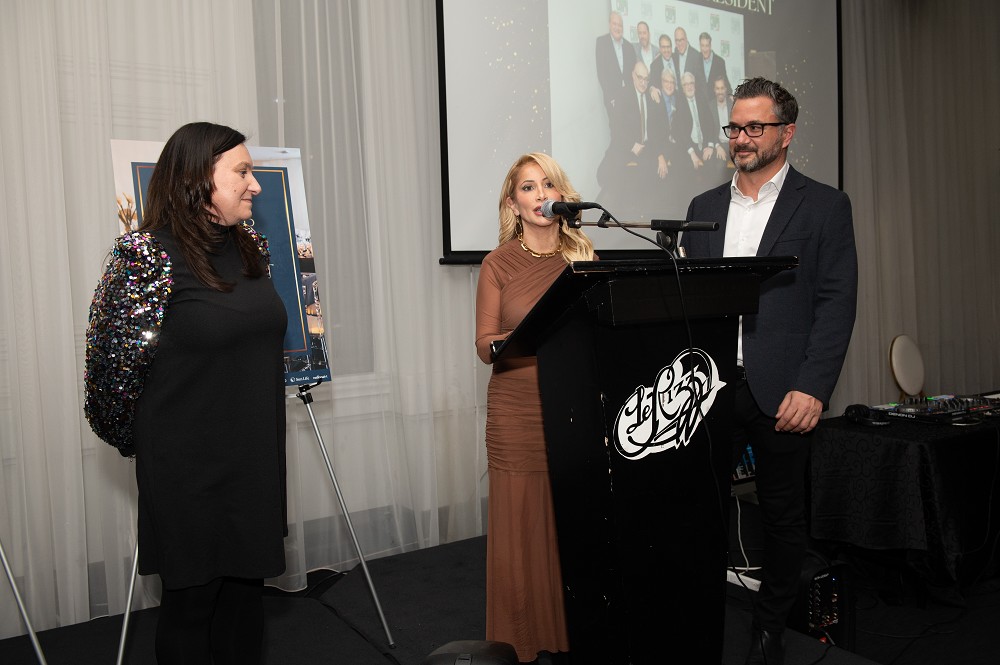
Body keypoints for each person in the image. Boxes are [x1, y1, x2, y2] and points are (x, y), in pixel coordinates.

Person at [85, 122, 288, 665]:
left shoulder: (253, 249)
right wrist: (156, 450)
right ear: (198, 178)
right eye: (242, 172)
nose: (256, 184)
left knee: (245, 601)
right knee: (192, 605)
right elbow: (108, 380)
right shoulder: (144, 257)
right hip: (186, 470)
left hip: (254, 461)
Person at [681, 78, 858, 665]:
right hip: (708, 390)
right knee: (694, 510)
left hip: (785, 390)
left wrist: (813, 386)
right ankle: (693, 621)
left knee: (783, 519)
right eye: (734, 127)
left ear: (787, 132)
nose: (741, 138)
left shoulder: (825, 205)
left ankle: (769, 629)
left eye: (755, 126)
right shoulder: (703, 208)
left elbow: (836, 301)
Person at [475, 153, 596, 664]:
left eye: (548, 184)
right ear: (513, 203)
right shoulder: (497, 264)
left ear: (561, 195)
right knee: (521, 524)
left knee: (571, 520)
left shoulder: (583, 257)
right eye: (528, 187)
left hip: (572, 406)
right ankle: (521, 641)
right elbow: (485, 346)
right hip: (518, 408)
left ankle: (570, 634)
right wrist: (523, 337)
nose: (540, 194)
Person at [595, 11, 636, 120]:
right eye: (615, 24)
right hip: (613, 99)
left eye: (620, 25)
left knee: (630, 127)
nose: (617, 28)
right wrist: (610, 98)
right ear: (609, 24)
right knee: (616, 128)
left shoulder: (629, 47)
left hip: (629, 98)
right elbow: (601, 74)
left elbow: (634, 73)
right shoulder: (601, 43)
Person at [692, 32, 732, 104]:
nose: (704, 49)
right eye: (702, 46)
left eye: (707, 46)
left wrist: (730, 96)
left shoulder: (720, 62)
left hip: (715, 104)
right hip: (701, 104)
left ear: (710, 46)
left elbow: (725, 82)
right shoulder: (696, 61)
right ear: (700, 46)